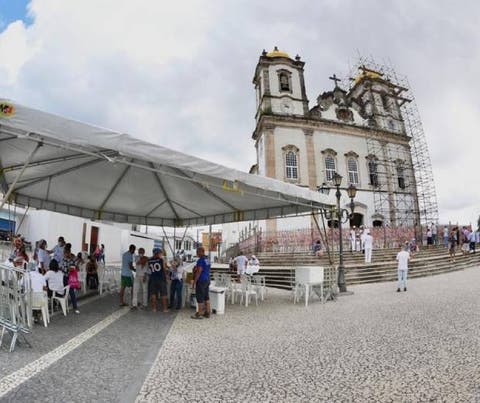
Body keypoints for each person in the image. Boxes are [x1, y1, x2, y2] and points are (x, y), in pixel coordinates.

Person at [191, 246, 211, 319]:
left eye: (198, 252)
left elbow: (199, 271)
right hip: (207, 279)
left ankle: (199, 313)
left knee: (199, 297)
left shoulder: (200, 260)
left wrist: (194, 281)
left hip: (201, 280)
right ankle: (207, 312)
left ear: (201, 252)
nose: (197, 254)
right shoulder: (207, 259)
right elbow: (206, 268)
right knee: (206, 297)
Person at [61, 243, 80, 314]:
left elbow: (76, 267)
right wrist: (68, 269)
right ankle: (65, 305)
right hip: (65, 277)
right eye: (64, 254)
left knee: (71, 292)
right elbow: (63, 269)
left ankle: (75, 307)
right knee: (65, 292)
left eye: (65, 253)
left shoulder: (73, 258)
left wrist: (73, 268)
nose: (64, 255)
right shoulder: (63, 259)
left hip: (71, 278)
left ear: (68, 252)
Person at [148, 248, 169, 312]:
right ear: (158, 253)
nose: (161, 254)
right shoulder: (161, 259)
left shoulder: (149, 260)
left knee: (153, 294)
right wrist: (166, 278)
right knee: (163, 294)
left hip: (153, 279)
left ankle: (154, 308)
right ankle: (165, 309)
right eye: (160, 253)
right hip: (161, 278)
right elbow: (164, 269)